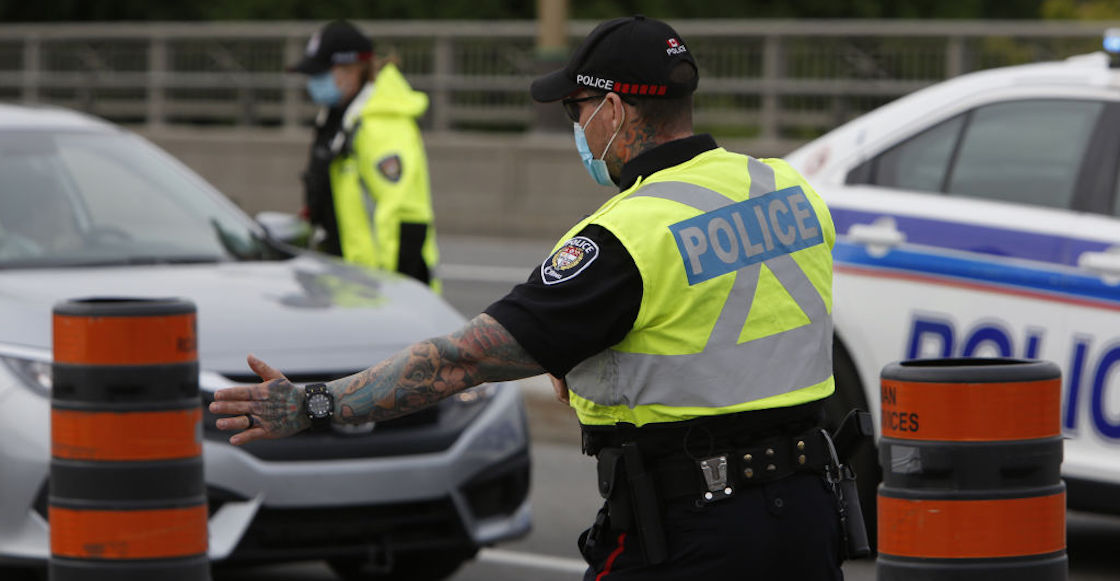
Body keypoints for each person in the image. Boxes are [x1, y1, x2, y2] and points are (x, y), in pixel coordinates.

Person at [213, 15, 846, 579]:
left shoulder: (628, 234)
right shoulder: (787, 188)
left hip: (692, 532)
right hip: (810, 515)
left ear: (616, 110)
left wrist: (316, 402)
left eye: (577, 110)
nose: (577, 127)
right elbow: (731, 323)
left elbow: (464, 359)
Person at [290, 20, 440, 289]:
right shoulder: (338, 118)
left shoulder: (381, 125)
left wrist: (395, 294)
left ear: (352, 70)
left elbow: (405, 218)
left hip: (380, 292)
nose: (313, 83)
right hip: (348, 286)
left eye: (321, 73)